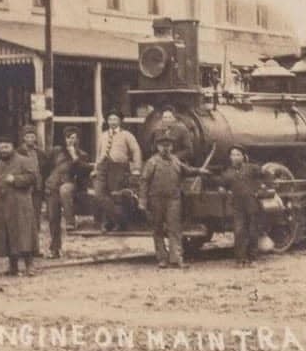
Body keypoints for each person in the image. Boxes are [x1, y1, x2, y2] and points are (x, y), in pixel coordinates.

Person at [138, 130, 209, 269]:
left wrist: (200, 171)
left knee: (174, 228)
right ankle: (162, 259)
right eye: (162, 145)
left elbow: (187, 170)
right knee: (157, 229)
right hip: (156, 200)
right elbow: (144, 181)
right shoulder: (152, 162)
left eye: (168, 145)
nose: (166, 148)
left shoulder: (176, 160)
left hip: (173, 200)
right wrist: (142, 200)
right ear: (157, 147)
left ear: (172, 147)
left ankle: (176, 258)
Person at [0, 135, 39, 276]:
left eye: (6, 147)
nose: (3, 150)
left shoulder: (24, 161)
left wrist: (16, 179)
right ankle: (13, 267)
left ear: (13, 147)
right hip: (2, 207)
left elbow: (33, 178)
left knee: (24, 236)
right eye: (1, 148)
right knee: (8, 237)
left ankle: (29, 266)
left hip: (20, 206)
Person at [218, 145, 270, 267]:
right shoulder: (227, 173)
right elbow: (222, 185)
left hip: (252, 205)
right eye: (232, 155)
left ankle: (253, 258)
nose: (235, 157)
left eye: (237, 155)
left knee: (253, 232)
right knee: (239, 231)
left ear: (243, 157)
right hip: (238, 207)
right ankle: (240, 259)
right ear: (230, 158)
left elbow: (267, 175)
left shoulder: (252, 169)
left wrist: (263, 188)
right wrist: (222, 191)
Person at [44, 126, 92, 259]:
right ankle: (55, 249)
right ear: (64, 139)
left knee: (65, 190)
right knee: (53, 219)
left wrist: (74, 156)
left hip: (71, 185)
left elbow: (83, 171)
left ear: (78, 139)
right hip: (53, 187)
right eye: (68, 138)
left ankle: (70, 222)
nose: (71, 141)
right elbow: (46, 166)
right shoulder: (56, 151)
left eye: (74, 138)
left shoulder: (82, 154)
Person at [94, 111, 142, 231]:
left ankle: (110, 223)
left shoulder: (127, 135)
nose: (113, 122)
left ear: (120, 121)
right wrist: (95, 168)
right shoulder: (103, 135)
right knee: (99, 195)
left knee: (114, 195)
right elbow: (98, 154)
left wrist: (136, 169)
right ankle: (120, 220)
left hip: (118, 167)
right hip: (103, 167)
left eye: (115, 119)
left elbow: (136, 151)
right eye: (110, 119)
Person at [16, 124, 50, 256]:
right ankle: (22, 250)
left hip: (37, 190)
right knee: (22, 219)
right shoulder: (18, 152)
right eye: (27, 136)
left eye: (32, 136)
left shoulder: (40, 153)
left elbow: (45, 170)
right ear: (24, 138)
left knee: (35, 219)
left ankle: (35, 249)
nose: (30, 139)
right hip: (23, 190)